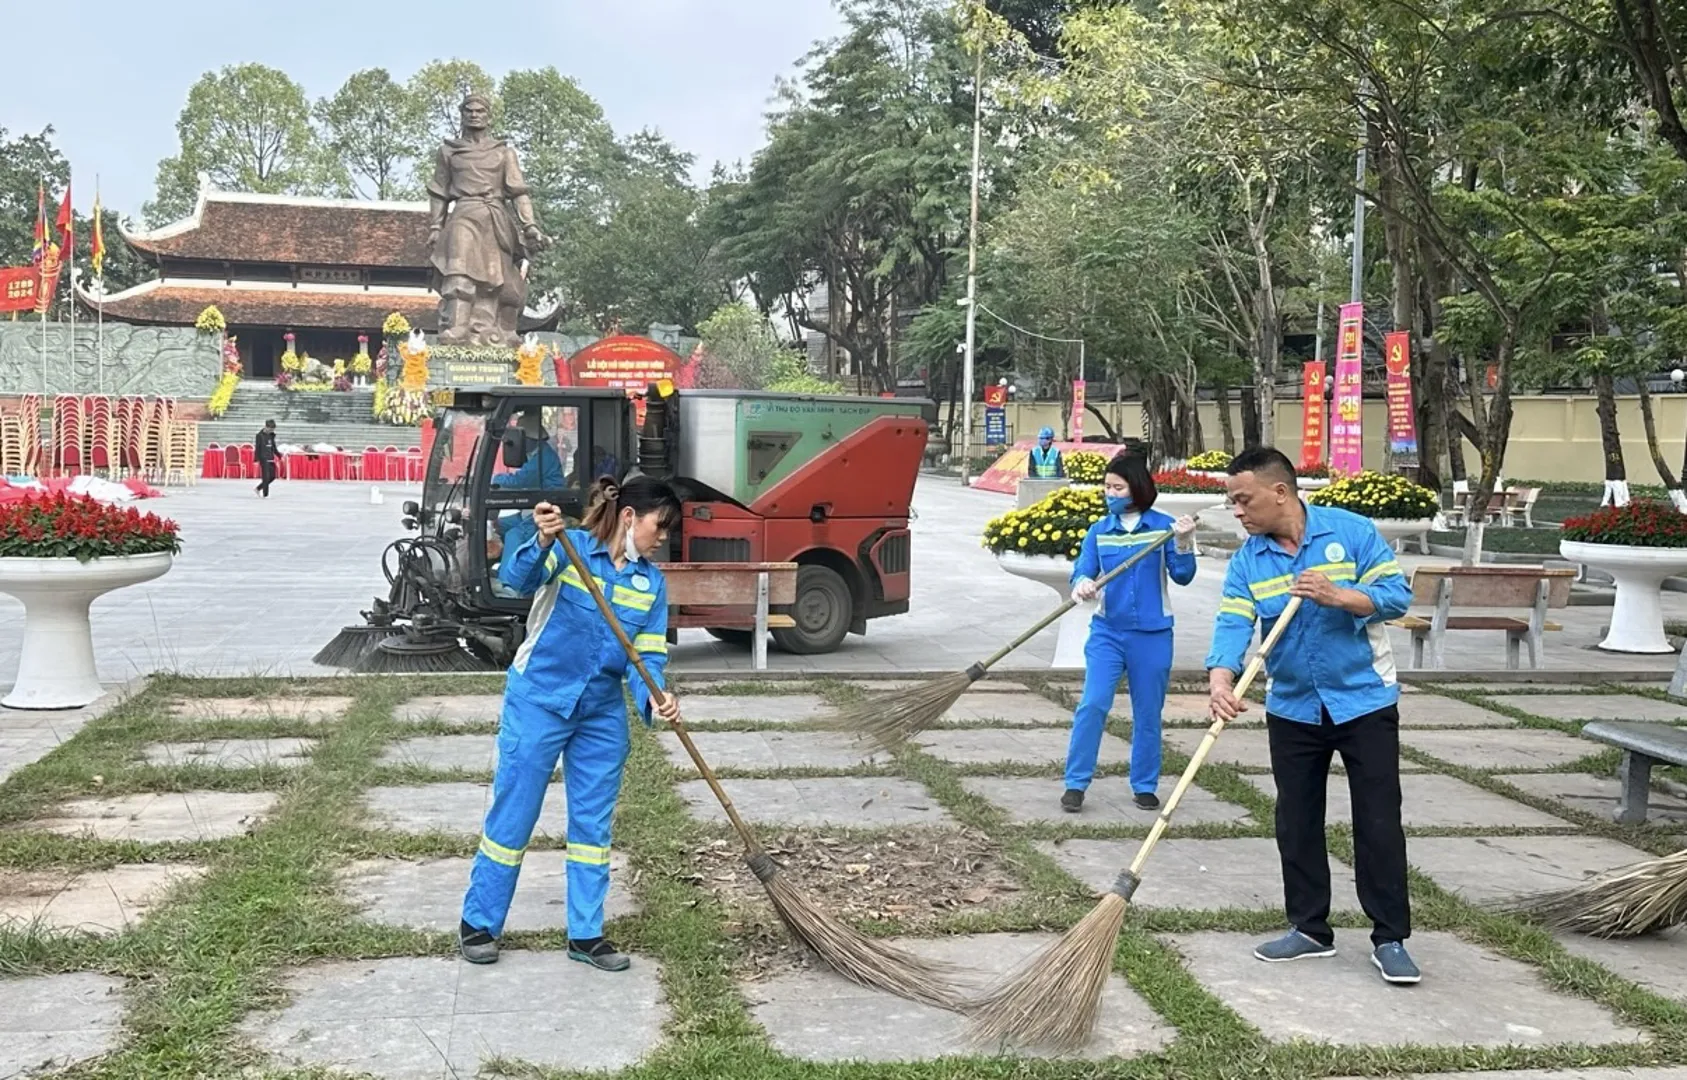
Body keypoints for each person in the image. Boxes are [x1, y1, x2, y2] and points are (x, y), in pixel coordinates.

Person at [1205, 446, 1419, 985]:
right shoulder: (1248, 560)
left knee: (1377, 820)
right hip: (1294, 705)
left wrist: (1340, 595)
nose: (1237, 511)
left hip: (1364, 698)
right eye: (1231, 501)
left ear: (1280, 492)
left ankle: (1390, 936)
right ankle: (1309, 929)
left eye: (1243, 499)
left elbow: (1396, 595)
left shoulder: (1350, 533)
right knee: (1296, 819)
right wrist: (1220, 678)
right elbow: (1233, 621)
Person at [460, 474, 683, 972]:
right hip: (539, 700)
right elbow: (516, 579)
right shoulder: (570, 547)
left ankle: (586, 933)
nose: (662, 537)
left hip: (600, 714)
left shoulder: (651, 583)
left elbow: (646, 654)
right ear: (629, 516)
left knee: (592, 827)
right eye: (659, 526)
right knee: (513, 815)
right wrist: (540, 539)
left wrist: (657, 695)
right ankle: (479, 923)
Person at [1065, 453, 1199, 812]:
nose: (1110, 493)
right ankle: (1075, 784)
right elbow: (1082, 570)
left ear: (1136, 488)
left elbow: (1183, 575)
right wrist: (1081, 584)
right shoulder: (1100, 530)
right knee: (1092, 704)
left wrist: (1184, 542)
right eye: (1106, 487)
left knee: (1148, 711)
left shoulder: (1163, 527)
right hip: (1108, 633)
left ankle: (1144, 784)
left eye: (1117, 487)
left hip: (1153, 635)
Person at [254, 420, 279, 498]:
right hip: (263, 458)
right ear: (266, 427)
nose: (272, 431)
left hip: (270, 457)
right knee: (266, 476)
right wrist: (256, 458)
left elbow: (273, 447)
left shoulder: (271, 436)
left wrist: (279, 455)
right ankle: (265, 494)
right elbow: (257, 448)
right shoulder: (259, 435)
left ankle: (258, 488)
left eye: (273, 430)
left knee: (273, 476)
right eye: (271, 429)